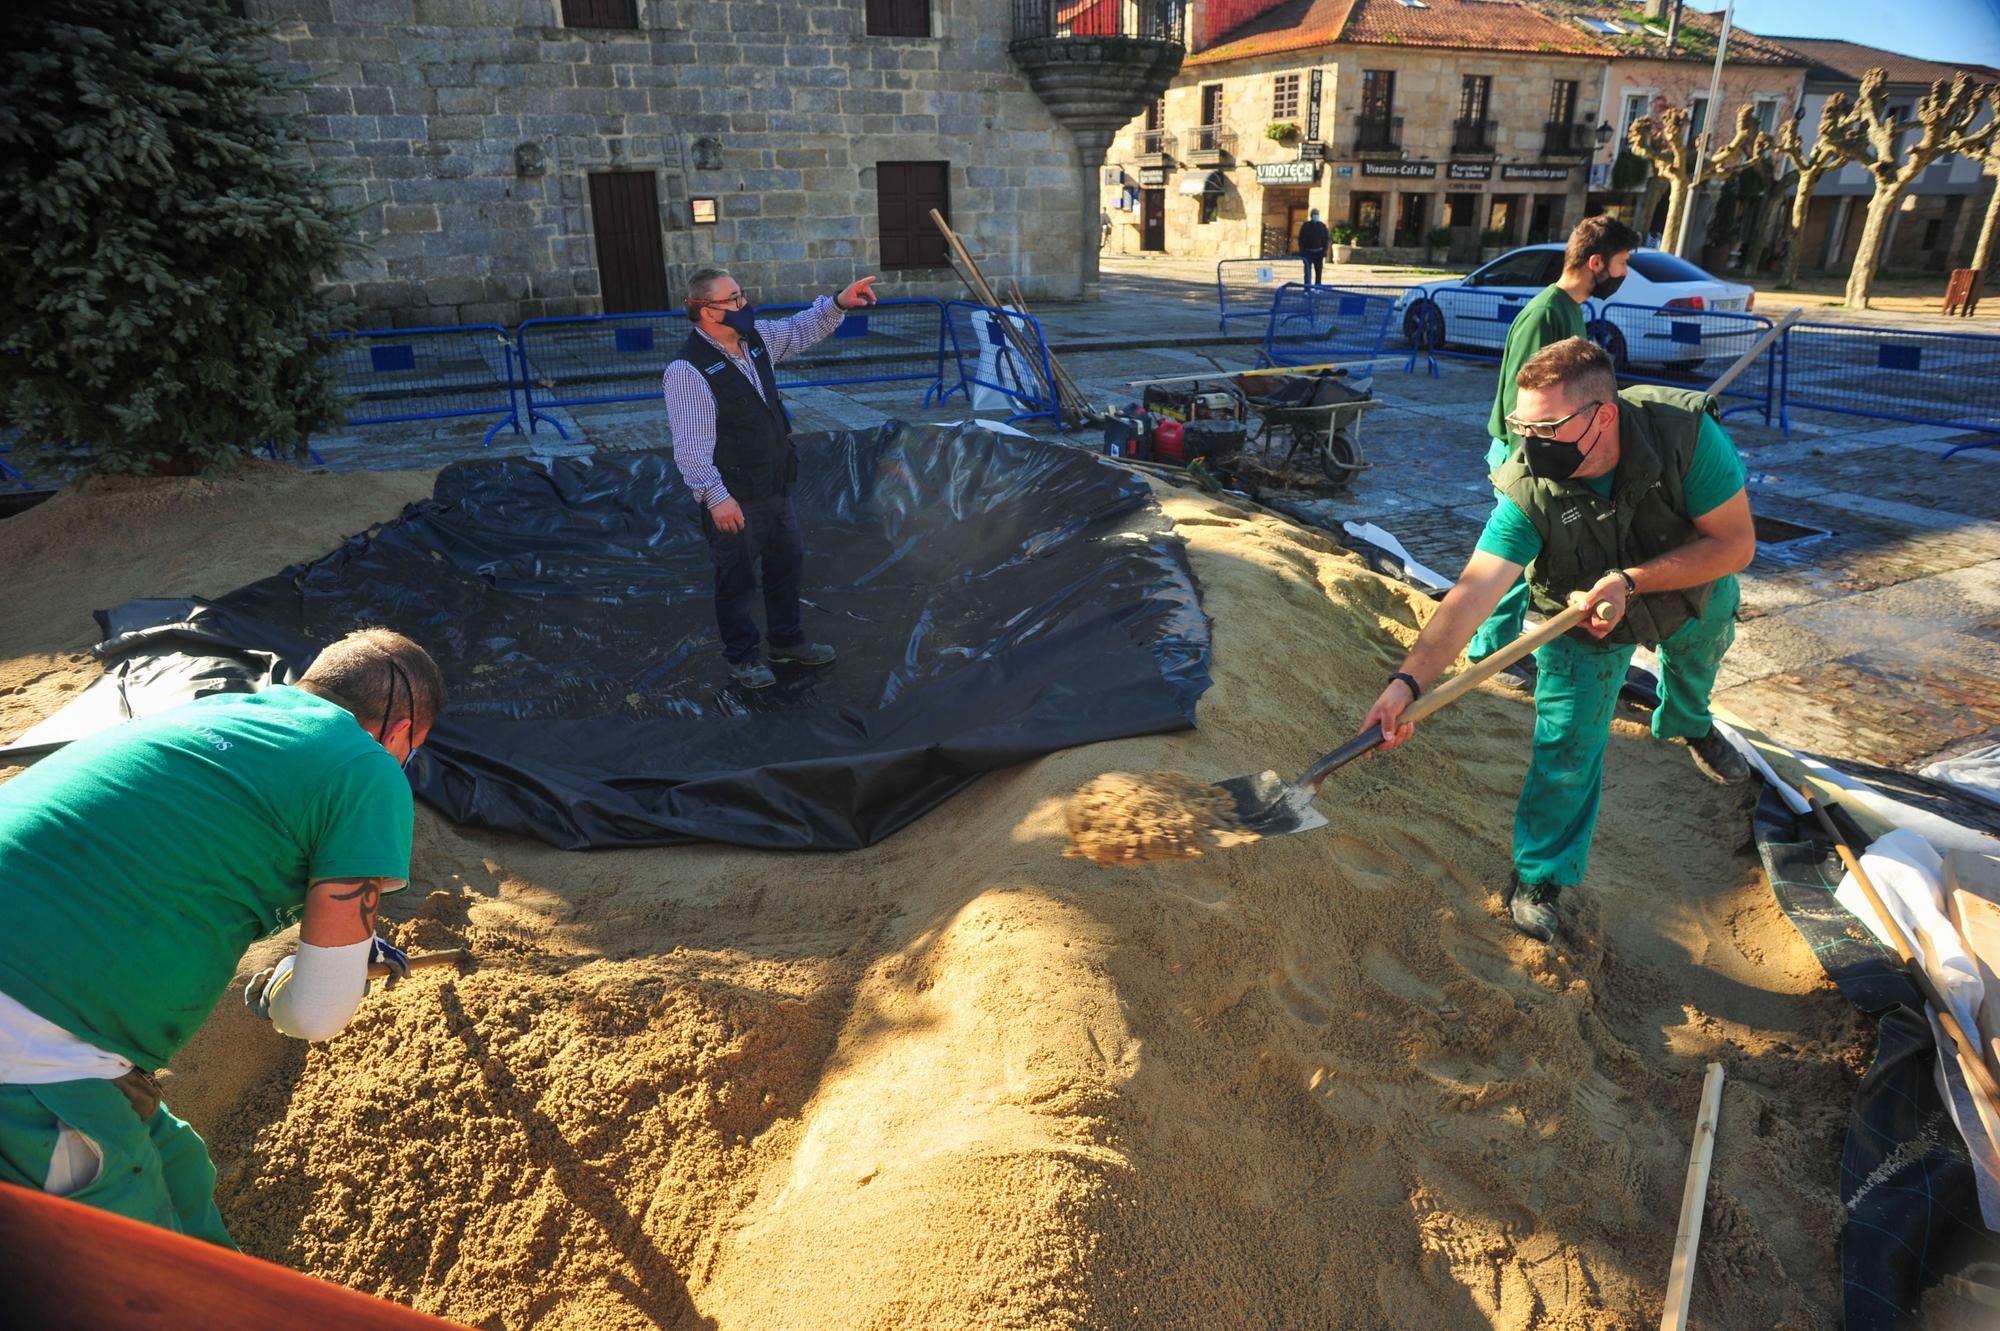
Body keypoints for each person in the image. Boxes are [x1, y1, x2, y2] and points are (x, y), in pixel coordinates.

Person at [0, 629, 444, 1246]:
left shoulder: (214, 710)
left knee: (180, 1176)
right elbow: (315, 1013)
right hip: (30, 1043)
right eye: (410, 751)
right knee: (141, 1286)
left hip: (41, 1004)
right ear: (401, 732)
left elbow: (177, 851)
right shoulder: (367, 766)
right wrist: (290, 986)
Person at [1357, 338, 1755, 944]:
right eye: (1522, 425)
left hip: (1685, 586)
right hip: (1577, 613)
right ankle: (1541, 874)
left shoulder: (1689, 439)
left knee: (1701, 650)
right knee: (1565, 740)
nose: (1529, 442)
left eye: (1547, 427)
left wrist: (1630, 581)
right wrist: (1405, 683)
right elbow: (1470, 594)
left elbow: (1734, 545)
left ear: (1603, 415)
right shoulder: (1528, 487)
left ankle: (1688, 720)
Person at [662, 266, 881, 690]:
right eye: (733, 299)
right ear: (707, 310)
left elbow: (800, 329)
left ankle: (787, 642)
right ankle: (742, 657)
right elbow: (691, 446)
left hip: (775, 487)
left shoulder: (755, 340)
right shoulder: (687, 372)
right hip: (734, 497)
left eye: (741, 295)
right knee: (737, 581)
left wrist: (838, 302)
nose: (744, 305)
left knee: (786, 567)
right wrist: (715, 496)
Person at [1469, 214, 1642, 692]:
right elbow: (1517, 401)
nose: (1625, 274)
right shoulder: (1546, 312)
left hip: (1548, 451)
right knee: (1516, 557)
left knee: (1535, 560)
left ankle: (1499, 646)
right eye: (1623, 263)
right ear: (1596, 262)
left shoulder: (1571, 309)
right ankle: (1487, 651)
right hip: (1524, 453)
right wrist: (1537, 461)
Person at [1297, 208, 1330, 285]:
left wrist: (1324, 251)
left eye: (1317, 214)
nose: (1316, 216)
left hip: (1319, 253)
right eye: (1314, 214)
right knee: (1307, 272)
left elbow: (1326, 239)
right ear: (1311, 216)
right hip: (1308, 252)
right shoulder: (1306, 226)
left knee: (1318, 271)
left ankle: (1317, 286)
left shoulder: (1322, 226)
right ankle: (1307, 288)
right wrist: (1302, 251)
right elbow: (1301, 239)